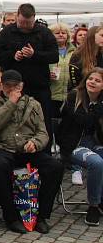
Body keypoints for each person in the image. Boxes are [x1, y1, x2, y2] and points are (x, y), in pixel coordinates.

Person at [0, 70, 63, 234]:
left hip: (27, 150)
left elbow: (43, 133)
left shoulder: (33, 104)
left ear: (21, 86)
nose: (13, 89)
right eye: (8, 86)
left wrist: (35, 143)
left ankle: (41, 216)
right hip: (3, 148)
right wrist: (11, 103)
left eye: (16, 86)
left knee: (55, 166)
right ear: (2, 85)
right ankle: (11, 216)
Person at [0, 3, 59, 145]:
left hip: (39, 86)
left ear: (34, 19)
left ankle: (44, 151)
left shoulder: (44, 32)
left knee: (43, 121)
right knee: (15, 121)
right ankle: (16, 152)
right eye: (22, 22)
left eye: (28, 23)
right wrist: (13, 56)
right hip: (15, 88)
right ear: (17, 16)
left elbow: (54, 56)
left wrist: (35, 55)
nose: (24, 25)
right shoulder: (6, 32)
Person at [58, 68, 103, 226]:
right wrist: (98, 108)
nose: (92, 82)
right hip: (73, 144)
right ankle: (93, 205)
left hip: (95, 142)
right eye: (91, 79)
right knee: (97, 163)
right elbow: (84, 121)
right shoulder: (74, 97)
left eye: (97, 80)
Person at [49, 22, 80, 186]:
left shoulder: (75, 51)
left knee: (68, 127)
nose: (61, 35)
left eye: (63, 33)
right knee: (53, 125)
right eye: (57, 33)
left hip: (70, 95)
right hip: (53, 93)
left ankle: (69, 158)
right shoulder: (49, 51)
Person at [69, 25, 103, 90]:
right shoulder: (78, 55)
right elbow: (75, 82)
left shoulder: (100, 53)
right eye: (102, 35)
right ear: (93, 36)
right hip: (83, 93)